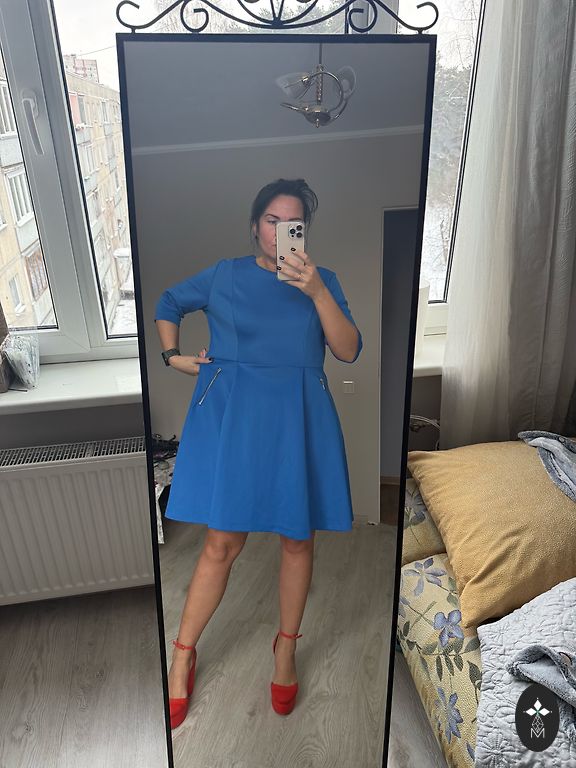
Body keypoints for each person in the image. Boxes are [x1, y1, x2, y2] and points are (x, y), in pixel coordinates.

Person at [154, 178, 363, 728]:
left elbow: (348, 350)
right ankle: (183, 653)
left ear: (303, 232)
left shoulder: (324, 281)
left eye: (294, 223)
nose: (281, 231)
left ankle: (286, 647)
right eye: (272, 220)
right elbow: (169, 302)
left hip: (296, 421)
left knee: (298, 539)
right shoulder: (225, 275)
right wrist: (173, 355)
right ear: (255, 226)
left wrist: (316, 292)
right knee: (222, 543)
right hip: (238, 420)